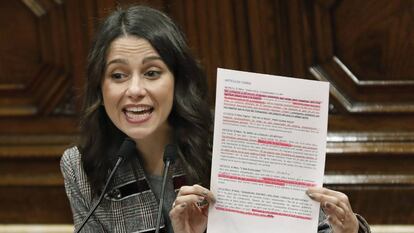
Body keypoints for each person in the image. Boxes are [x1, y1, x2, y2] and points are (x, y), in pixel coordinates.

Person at [60, 5, 370, 233]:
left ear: (177, 80)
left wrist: (351, 232)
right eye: (118, 75)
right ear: (100, 88)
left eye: (152, 73)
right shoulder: (82, 167)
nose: (135, 90)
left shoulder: (238, 140)